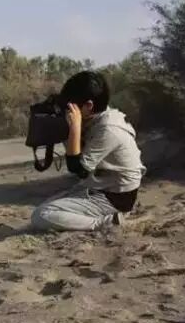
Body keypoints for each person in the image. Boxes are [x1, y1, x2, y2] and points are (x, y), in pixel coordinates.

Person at [31, 71, 146, 231]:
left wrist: (74, 128)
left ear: (89, 106)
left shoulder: (109, 129)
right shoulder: (98, 117)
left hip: (116, 197)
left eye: (70, 106)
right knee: (47, 206)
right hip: (102, 187)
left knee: (41, 215)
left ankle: (106, 222)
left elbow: (78, 169)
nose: (67, 110)